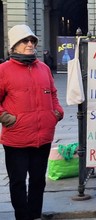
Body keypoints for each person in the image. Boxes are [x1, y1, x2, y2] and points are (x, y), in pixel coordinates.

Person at [0, 24, 64, 220]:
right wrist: (5, 117)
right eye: (25, 41)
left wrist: (57, 112)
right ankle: (22, 216)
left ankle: (34, 215)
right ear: (15, 46)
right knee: (18, 182)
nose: (30, 44)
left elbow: (52, 93)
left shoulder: (43, 68)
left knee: (38, 181)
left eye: (32, 41)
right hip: (16, 138)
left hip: (43, 135)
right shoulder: (3, 70)